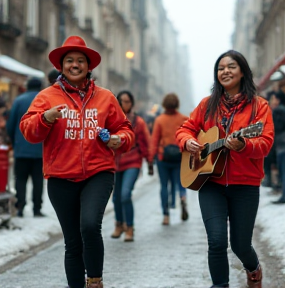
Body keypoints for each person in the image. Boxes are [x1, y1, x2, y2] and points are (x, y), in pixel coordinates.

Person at [19, 36, 135, 288]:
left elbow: (126, 130)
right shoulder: (46, 97)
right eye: (69, 60)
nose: (75, 64)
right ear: (61, 66)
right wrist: (46, 118)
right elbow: (28, 131)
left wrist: (118, 139)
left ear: (88, 66)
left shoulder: (105, 97)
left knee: (90, 225)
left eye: (80, 60)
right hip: (60, 177)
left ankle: (94, 280)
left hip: (98, 172)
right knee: (72, 242)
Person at [176, 50, 274, 288]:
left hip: (245, 185)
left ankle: (253, 267)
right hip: (210, 183)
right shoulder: (207, 105)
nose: (225, 71)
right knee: (217, 241)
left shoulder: (258, 107)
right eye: (221, 68)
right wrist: (187, 141)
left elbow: (265, 144)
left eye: (231, 66)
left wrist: (243, 144)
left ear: (242, 72)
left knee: (241, 244)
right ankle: (220, 285)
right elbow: (185, 129)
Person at [111, 90, 153, 242]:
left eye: (127, 101)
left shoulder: (138, 122)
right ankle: (119, 224)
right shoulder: (111, 120)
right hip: (115, 162)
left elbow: (146, 143)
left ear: (132, 103)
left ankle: (129, 227)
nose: (124, 104)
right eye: (121, 101)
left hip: (133, 161)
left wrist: (149, 162)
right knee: (115, 198)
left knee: (125, 194)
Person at [6, 77, 45, 217]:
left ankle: (20, 206)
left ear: (27, 86)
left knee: (20, 179)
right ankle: (37, 208)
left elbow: (10, 125)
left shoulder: (18, 100)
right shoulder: (44, 100)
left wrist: (15, 139)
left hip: (21, 148)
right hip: (40, 149)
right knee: (38, 180)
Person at [149, 93, 189, 225]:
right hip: (179, 156)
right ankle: (182, 198)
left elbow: (154, 140)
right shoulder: (183, 119)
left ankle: (166, 215)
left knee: (164, 186)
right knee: (180, 183)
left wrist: (150, 160)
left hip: (163, 157)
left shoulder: (160, 120)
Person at [269, 90, 285, 204]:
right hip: (284, 145)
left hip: (283, 146)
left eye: (273, 99)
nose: (271, 101)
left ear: (278, 100)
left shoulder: (278, 111)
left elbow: (275, 128)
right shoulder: (284, 110)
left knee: (284, 171)